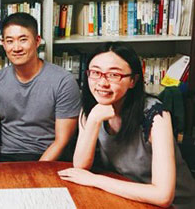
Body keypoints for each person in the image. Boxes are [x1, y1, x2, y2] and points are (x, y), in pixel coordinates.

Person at [58, 42, 195, 208]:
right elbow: (80, 167)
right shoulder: (92, 109)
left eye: (113, 75)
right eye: (95, 73)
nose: (102, 83)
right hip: (126, 198)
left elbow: (163, 196)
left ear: (133, 80)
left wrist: (95, 180)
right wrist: (93, 120)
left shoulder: (155, 115)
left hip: (173, 205)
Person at [0, 12, 81, 163]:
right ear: (3, 44)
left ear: (37, 41)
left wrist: (37, 172)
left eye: (23, 40)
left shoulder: (63, 81)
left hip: (48, 158)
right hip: (7, 157)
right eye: (10, 41)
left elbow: (62, 141)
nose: (16, 48)